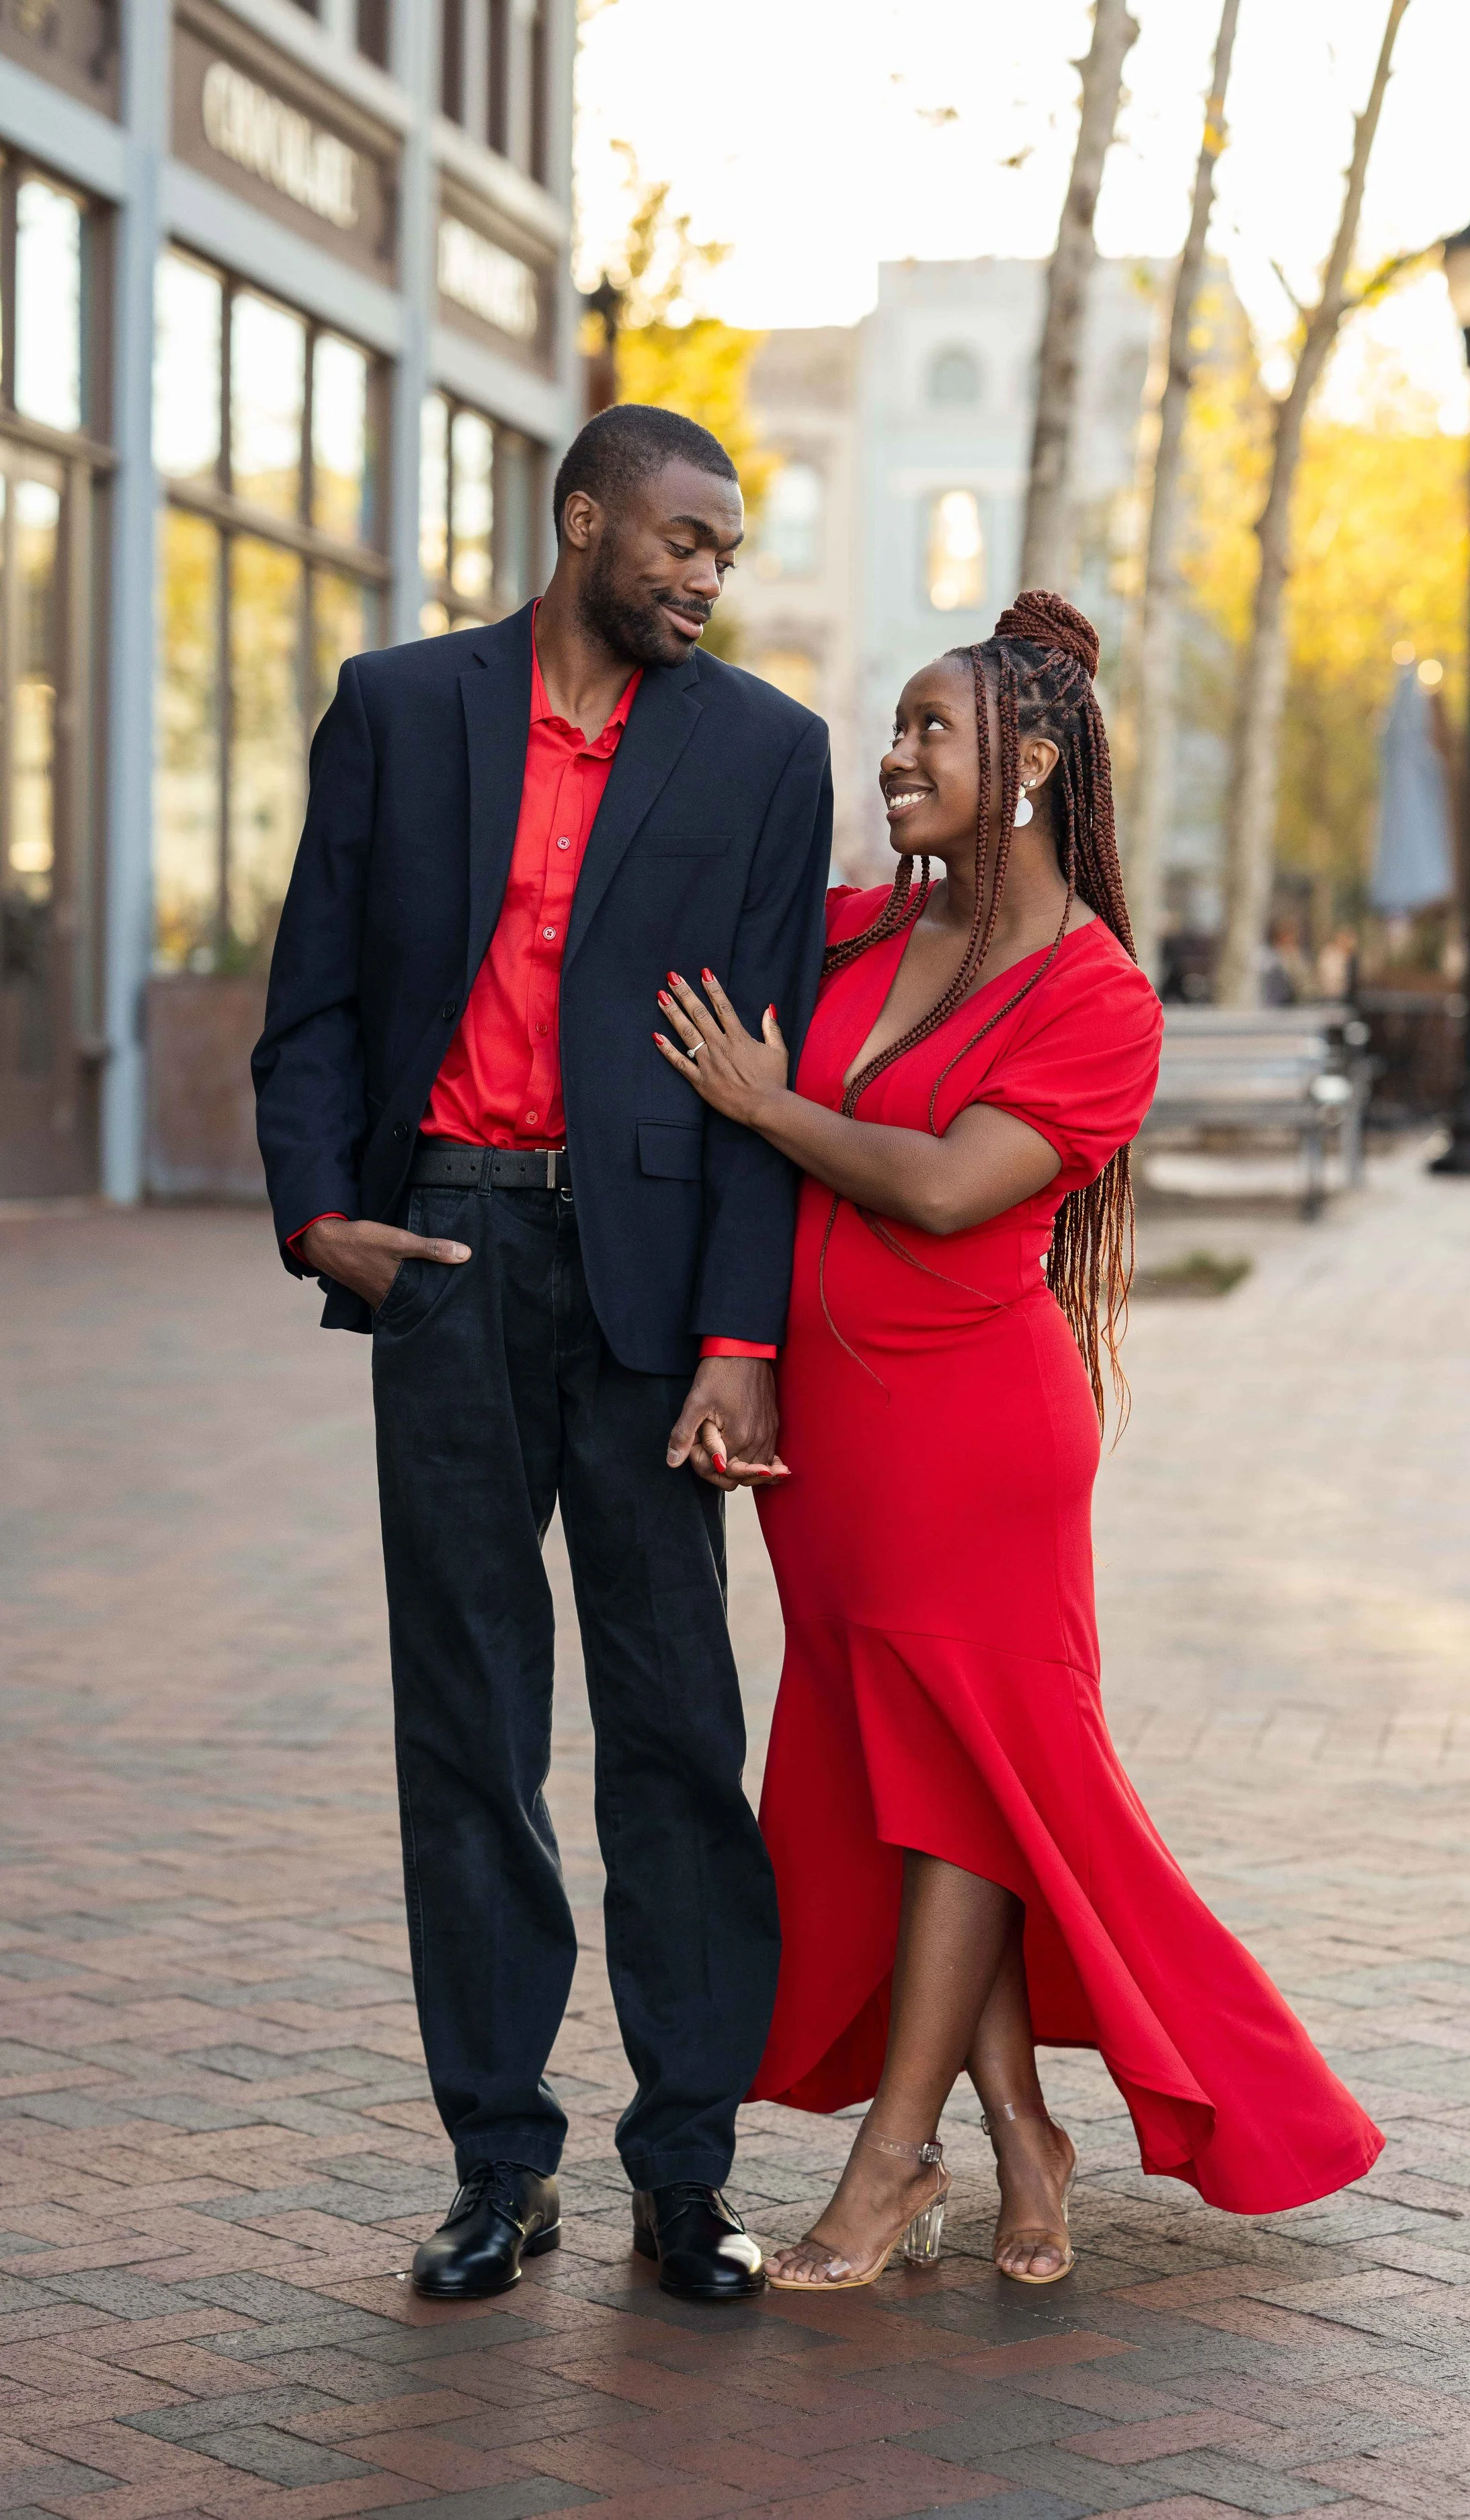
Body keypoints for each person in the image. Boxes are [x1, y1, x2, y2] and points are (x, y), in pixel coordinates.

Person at [655, 591, 1383, 2290]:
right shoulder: (853, 938)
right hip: (823, 1456)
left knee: (969, 1792)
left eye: (930, 730)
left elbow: (938, 1184)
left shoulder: (1096, 995)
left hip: (969, 1445)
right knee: (930, 1792)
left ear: (1030, 766)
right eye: (893, 727)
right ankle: (1020, 2137)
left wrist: (766, 1106)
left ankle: (891, 2167)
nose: (894, 757)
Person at [251, 405, 833, 2304]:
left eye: (724, 554)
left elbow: (766, 1085)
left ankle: (687, 2164)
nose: (702, 574)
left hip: (656, 1280)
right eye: (678, 538)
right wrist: (317, 1207)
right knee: (471, 1721)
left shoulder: (764, 750)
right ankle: (499, 2159)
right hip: (446, 1246)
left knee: (676, 1719)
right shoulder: (401, 707)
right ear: (582, 518)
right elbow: (314, 988)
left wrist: (742, 1336)